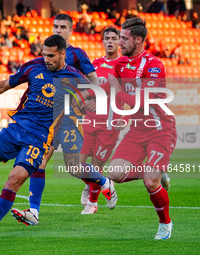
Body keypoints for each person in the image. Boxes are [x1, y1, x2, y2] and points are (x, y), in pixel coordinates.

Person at [0, 35, 116, 243]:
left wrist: (90, 103)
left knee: (15, 179)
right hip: (15, 129)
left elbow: (97, 94)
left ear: (63, 54)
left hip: (39, 139)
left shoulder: (74, 77)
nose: (46, 59)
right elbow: (5, 85)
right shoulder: (34, 66)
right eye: (44, 54)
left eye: (51, 56)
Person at [76, 17, 176, 240]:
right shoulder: (121, 65)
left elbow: (141, 101)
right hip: (137, 129)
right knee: (115, 173)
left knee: (151, 183)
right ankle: (157, 171)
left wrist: (117, 91)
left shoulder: (154, 66)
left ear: (138, 40)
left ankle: (165, 224)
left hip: (160, 128)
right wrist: (88, 99)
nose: (119, 42)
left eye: (124, 38)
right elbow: (109, 91)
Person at [11, 13, 110, 225]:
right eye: (55, 26)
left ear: (71, 30)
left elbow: (93, 84)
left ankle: (103, 182)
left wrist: (89, 100)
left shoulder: (77, 54)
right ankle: (34, 212)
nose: (58, 30)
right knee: (39, 161)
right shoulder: (47, 53)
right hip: (45, 120)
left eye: (63, 26)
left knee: (74, 169)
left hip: (68, 119)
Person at [79, 26, 125, 214]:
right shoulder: (95, 63)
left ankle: (92, 203)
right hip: (90, 120)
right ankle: (100, 182)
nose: (110, 41)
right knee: (76, 165)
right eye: (107, 38)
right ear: (103, 41)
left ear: (120, 41)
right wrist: (86, 101)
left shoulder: (124, 65)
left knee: (97, 165)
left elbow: (125, 95)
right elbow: (88, 87)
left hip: (109, 122)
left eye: (114, 38)